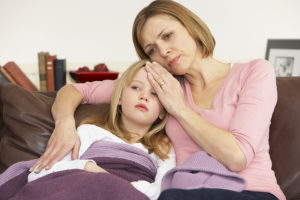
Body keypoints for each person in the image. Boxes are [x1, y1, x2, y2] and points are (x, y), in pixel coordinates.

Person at [31, 1, 285, 200]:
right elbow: (74, 91)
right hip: (182, 194)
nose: (163, 51)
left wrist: (179, 108)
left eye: (167, 36)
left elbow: (237, 157)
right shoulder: (156, 84)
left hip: (250, 192)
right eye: (151, 49)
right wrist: (64, 124)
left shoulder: (254, 72)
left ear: (192, 28)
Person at [26, 60, 175, 200]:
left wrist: (119, 187)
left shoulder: (164, 147)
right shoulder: (90, 131)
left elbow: (162, 188)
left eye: (154, 93)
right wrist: (87, 167)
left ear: (163, 110)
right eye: (136, 87)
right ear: (119, 98)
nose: (144, 96)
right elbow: (43, 171)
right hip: (81, 187)